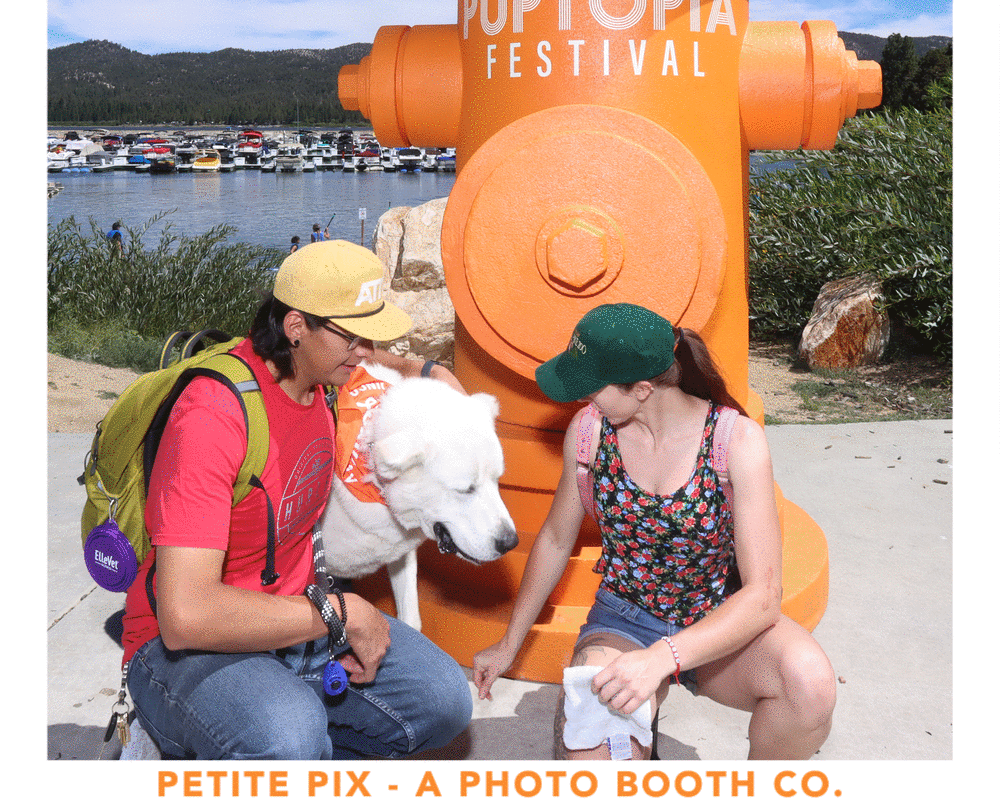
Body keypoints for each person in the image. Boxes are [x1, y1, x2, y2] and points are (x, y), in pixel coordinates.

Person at [122, 239, 473, 759]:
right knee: (288, 734)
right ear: (295, 327)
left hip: (292, 618)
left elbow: (371, 356)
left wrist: (427, 371)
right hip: (192, 643)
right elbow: (186, 615)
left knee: (443, 701)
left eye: (371, 336)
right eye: (353, 337)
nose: (366, 353)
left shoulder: (323, 374)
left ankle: (286, 747)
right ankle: (198, 733)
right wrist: (341, 612)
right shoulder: (212, 417)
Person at [473, 303, 836, 762]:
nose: (581, 399)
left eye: (592, 388)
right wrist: (509, 645)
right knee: (592, 759)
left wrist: (662, 659)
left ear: (643, 389)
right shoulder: (590, 433)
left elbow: (763, 596)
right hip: (624, 620)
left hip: (714, 620)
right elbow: (555, 539)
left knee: (810, 686)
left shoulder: (735, 441)